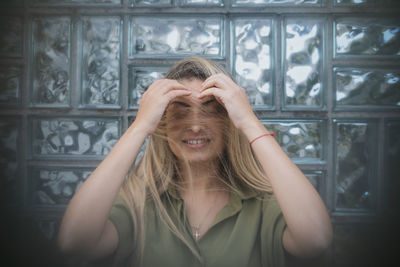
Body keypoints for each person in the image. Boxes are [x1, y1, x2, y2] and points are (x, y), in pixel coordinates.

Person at [57, 57, 332, 267]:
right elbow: (75, 243)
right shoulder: (139, 203)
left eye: (212, 112)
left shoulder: (263, 205)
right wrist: (139, 127)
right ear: (161, 122)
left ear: (229, 122)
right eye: (180, 112)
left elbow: (315, 241)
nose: (196, 126)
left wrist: (248, 121)